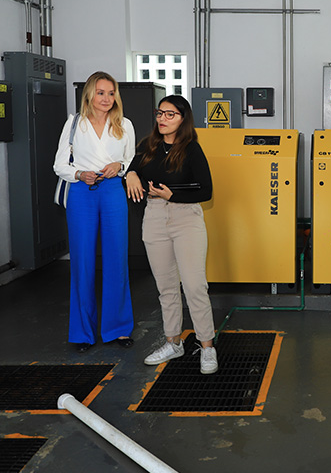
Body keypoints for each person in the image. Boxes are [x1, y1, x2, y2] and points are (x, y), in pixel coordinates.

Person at [125, 95, 218, 374]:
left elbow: (206, 191)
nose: (162, 119)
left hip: (185, 217)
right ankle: (173, 342)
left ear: (183, 119)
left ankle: (207, 347)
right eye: (160, 113)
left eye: (170, 115)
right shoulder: (147, 146)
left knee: (194, 286)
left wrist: (173, 194)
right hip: (154, 217)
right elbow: (133, 168)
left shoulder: (191, 149)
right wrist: (129, 173)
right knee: (166, 287)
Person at [53, 71, 136, 353]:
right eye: (101, 93)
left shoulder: (124, 125)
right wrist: (79, 173)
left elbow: (130, 159)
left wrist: (120, 167)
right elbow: (59, 165)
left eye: (111, 93)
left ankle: (118, 329)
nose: (106, 99)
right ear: (89, 94)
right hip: (81, 192)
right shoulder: (74, 124)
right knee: (83, 261)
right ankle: (82, 333)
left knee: (117, 259)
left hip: (113, 191)